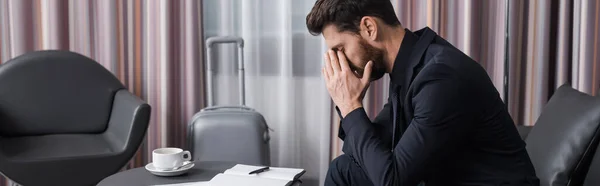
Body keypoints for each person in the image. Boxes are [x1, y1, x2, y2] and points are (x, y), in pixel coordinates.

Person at [306, 0, 540, 185]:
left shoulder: (440, 76)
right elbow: (375, 147)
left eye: (340, 49)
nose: (340, 61)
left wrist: (350, 107)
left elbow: (392, 180)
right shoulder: (409, 64)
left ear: (369, 28)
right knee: (343, 169)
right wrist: (349, 103)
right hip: (443, 177)